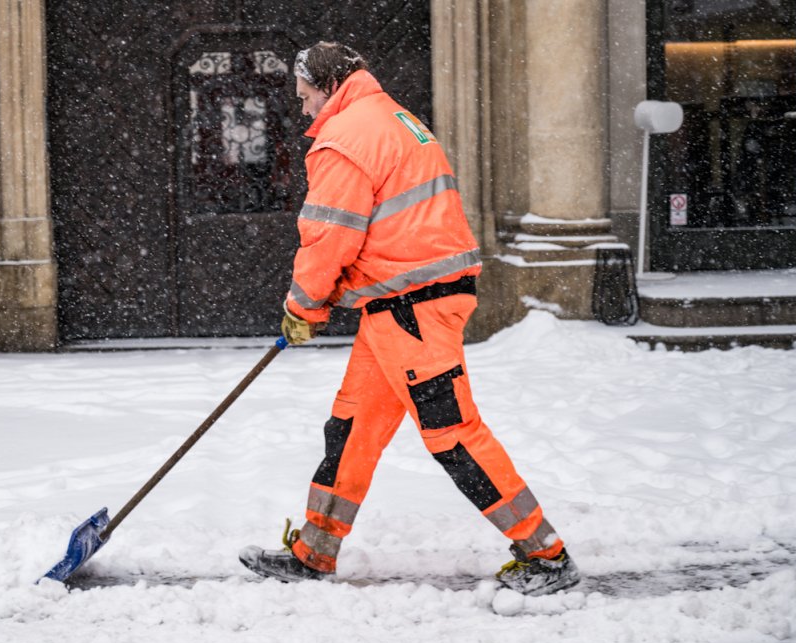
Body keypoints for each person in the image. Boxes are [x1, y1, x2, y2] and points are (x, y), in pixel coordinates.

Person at [238, 42, 579, 596]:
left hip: (412, 309)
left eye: (305, 98)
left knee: (452, 433)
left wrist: (303, 307)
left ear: (327, 87)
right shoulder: (394, 118)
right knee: (352, 430)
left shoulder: (344, 140)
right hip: (401, 304)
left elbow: (329, 237)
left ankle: (546, 554)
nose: (303, 111)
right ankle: (314, 553)